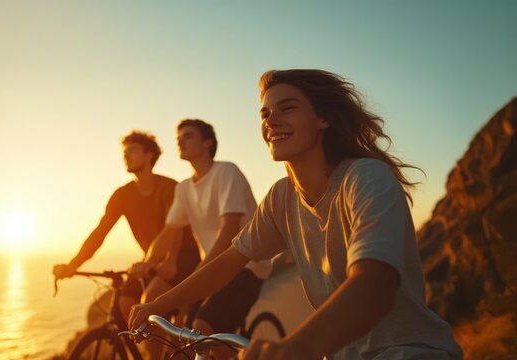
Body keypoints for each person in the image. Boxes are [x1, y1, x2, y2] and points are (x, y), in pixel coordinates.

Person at [130, 70, 463, 360]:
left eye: (286, 108)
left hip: (407, 352)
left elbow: (374, 283)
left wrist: (297, 347)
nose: (270, 121)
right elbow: (229, 262)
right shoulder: (281, 196)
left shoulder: (365, 178)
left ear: (323, 119)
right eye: (265, 114)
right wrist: (158, 304)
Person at [130, 119, 272, 357]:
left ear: (207, 142)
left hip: (246, 267)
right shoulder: (184, 188)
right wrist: (149, 262)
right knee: (184, 329)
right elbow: (168, 232)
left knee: (202, 330)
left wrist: (198, 273)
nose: (180, 140)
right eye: (178, 137)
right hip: (213, 269)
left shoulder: (227, 172)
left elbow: (229, 232)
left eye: (187, 136)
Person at [52, 130, 199, 325]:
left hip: (182, 258)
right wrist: (73, 265)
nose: (126, 155)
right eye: (124, 152)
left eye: (133, 150)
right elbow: (99, 233)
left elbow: (174, 229)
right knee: (125, 304)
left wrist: (170, 259)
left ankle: (171, 352)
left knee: (150, 303)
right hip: (151, 263)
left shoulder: (169, 187)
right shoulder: (122, 195)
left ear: (149, 155)